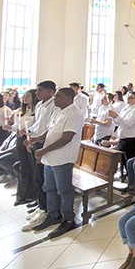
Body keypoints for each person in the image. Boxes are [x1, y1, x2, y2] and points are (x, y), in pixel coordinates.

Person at [31, 88, 84, 238]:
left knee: (64, 190)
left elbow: (66, 138)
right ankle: (53, 215)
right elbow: (50, 131)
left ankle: (68, 219)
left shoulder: (75, 113)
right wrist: (36, 139)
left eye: (58, 96)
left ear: (69, 97)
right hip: (50, 157)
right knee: (50, 187)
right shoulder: (58, 111)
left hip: (63, 158)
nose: (55, 99)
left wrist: (44, 150)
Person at [21, 81, 60, 230]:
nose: (37, 93)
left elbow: (50, 129)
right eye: (37, 91)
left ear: (51, 91)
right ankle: (41, 205)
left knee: (42, 177)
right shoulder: (39, 105)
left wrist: (37, 139)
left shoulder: (55, 106)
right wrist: (29, 133)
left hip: (44, 144)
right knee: (37, 176)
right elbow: (37, 125)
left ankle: (46, 209)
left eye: (40, 90)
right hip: (36, 142)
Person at [109, 91, 135, 172]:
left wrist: (117, 116)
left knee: (129, 161)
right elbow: (119, 123)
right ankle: (127, 177)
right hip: (123, 138)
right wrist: (114, 117)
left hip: (132, 139)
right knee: (124, 161)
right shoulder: (126, 107)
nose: (128, 99)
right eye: (128, 97)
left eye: (131, 98)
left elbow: (128, 124)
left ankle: (132, 181)